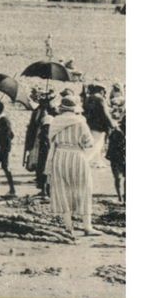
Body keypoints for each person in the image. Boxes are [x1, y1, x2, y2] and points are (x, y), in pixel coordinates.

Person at [46, 97, 100, 237]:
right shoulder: (80, 122)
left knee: (62, 190)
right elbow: (88, 143)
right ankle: (87, 226)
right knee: (83, 189)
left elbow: (50, 139)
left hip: (59, 157)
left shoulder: (55, 121)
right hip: (77, 156)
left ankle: (68, 227)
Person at [83, 84, 116, 162]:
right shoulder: (100, 99)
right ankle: (87, 161)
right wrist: (112, 124)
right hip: (99, 126)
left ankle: (96, 161)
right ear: (101, 90)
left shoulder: (88, 98)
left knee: (94, 144)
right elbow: (105, 113)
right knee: (96, 145)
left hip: (89, 124)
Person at [105, 114, 126, 204]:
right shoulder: (116, 132)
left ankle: (125, 198)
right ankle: (120, 197)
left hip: (123, 157)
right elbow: (111, 146)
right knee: (118, 178)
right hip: (117, 158)